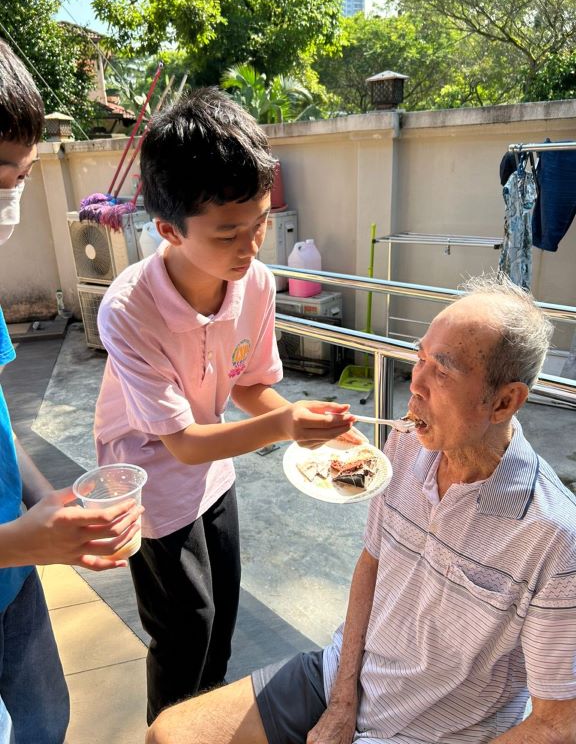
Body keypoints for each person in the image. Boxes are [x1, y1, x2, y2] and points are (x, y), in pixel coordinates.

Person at [146, 273, 576, 744]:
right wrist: (342, 700)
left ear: (505, 401)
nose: (416, 384)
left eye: (443, 371)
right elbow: (371, 563)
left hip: (436, 733)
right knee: (168, 734)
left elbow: (557, 723)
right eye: (420, 358)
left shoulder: (554, 537)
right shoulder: (405, 447)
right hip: (342, 677)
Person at [93, 88, 357, 725]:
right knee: (186, 629)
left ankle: (204, 726)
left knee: (223, 621)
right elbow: (181, 442)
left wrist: (310, 429)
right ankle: (169, 732)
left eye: (260, 221)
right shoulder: (128, 311)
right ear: (169, 229)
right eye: (228, 232)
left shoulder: (254, 283)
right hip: (150, 481)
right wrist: (285, 425)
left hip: (214, 468)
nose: (252, 245)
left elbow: (248, 384)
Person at [0, 39, 144, 743]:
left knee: (45, 720)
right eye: (0, 176)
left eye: (20, 179)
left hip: (15, 585)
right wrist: (14, 543)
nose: (10, 202)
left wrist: (44, 500)